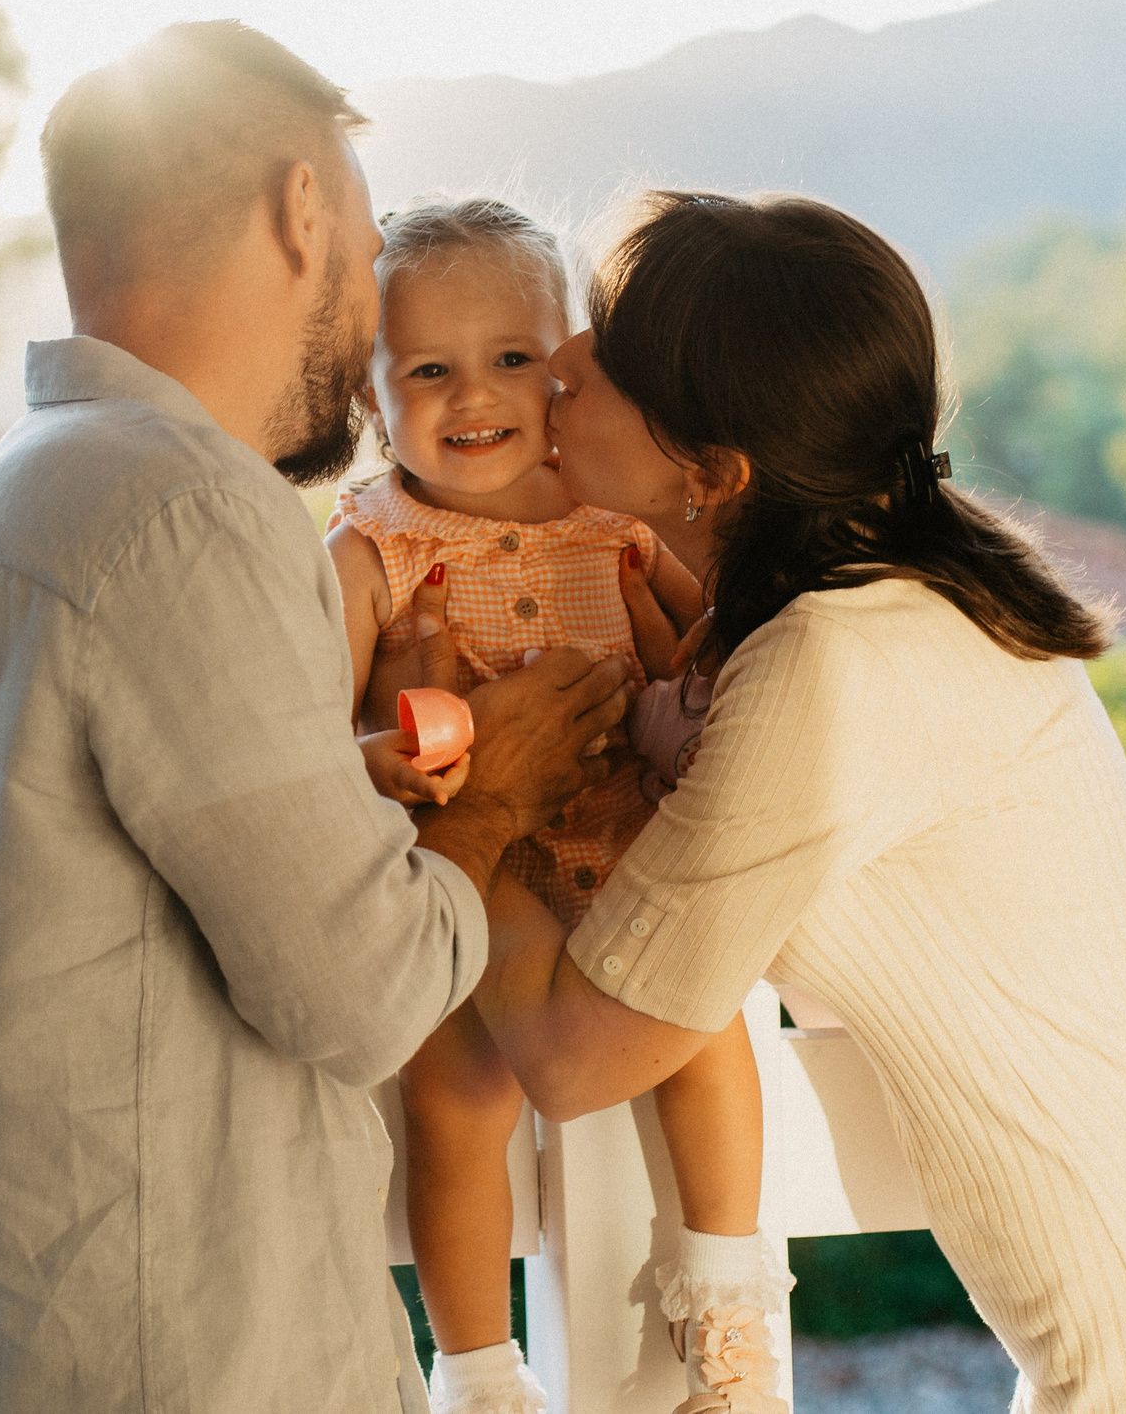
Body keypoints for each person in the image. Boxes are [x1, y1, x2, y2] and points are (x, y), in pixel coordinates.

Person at [472, 191, 1126, 1413]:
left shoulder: (834, 663)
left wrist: (477, 815)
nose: (556, 363)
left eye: (603, 348)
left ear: (713, 468)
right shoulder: (916, 594)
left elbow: (571, 1054)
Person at [0, 22, 634, 1414]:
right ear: (301, 209)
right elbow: (366, 992)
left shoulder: (3, 509)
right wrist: (498, 790)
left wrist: (371, 789)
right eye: (360, 230)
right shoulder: (186, 510)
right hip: (198, 1364)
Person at [325, 199, 782, 1414]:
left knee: (702, 1029)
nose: (473, 397)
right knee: (456, 1097)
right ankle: (478, 1372)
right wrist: (386, 753)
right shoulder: (370, 550)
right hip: (477, 876)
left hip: (632, 846)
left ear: (568, 371)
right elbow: (312, 736)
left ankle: (729, 1320)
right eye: (427, 369)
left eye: (513, 359)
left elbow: (717, 641)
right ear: (372, 399)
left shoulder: (614, 519)